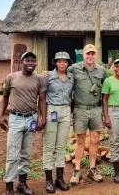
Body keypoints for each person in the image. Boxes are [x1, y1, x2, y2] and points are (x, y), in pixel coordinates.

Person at [42, 44, 107, 185]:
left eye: (92, 54)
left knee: (95, 139)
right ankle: (77, 170)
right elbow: (60, 73)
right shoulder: (73, 69)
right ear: (83, 55)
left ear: (96, 55)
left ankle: (92, 169)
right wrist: (46, 74)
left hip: (96, 109)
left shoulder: (101, 71)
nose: (90, 56)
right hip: (80, 109)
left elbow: (106, 88)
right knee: (81, 141)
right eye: (87, 54)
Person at [0, 52, 47, 195]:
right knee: (13, 153)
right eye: (28, 61)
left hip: (31, 118)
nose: (31, 63)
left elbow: (42, 100)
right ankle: (9, 187)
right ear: (22, 62)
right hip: (16, 118)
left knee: (26, 153)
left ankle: (22, 184)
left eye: (33, 61)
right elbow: (5, 97)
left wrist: (42, 117)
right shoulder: (11, 77)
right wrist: (0, 115)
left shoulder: (39, 80)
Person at [43, 52, 74, 193]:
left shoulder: (71, 77)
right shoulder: (47, 76)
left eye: (65, 61)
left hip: (65, 111)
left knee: (61, 145)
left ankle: (59, 178)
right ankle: (49, 180)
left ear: (68, 63)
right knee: (49, 145)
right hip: (52, 110)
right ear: (55, 63)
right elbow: (42, 97)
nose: (62, 64)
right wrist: (42, 115)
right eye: (59, 61)